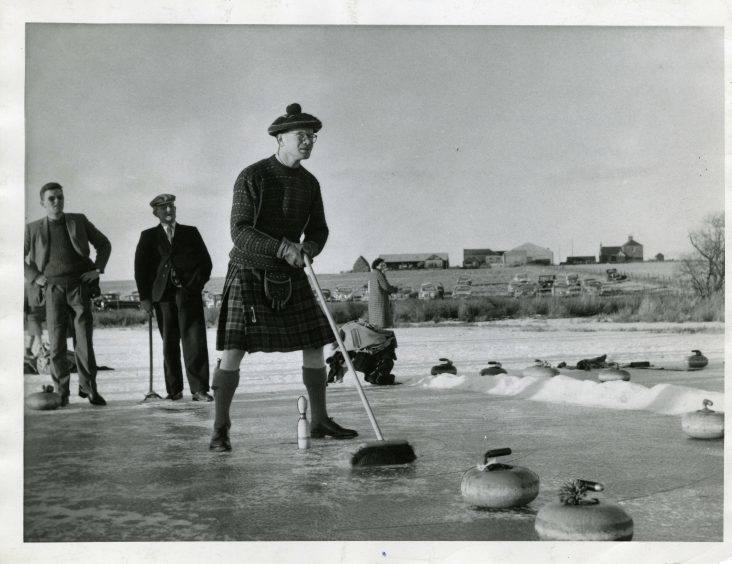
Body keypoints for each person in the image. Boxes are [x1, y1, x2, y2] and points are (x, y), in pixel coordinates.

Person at [209, 102, 358, 451]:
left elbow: (319, 229)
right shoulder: (252, 176)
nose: (308, 141)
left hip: (291, 272)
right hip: (249, 269)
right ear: (280, 138)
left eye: (312, 136)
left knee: (314, 344)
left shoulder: (309, 183)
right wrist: (282, 248)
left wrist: (311, 248)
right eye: (301, 135)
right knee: (233, 349)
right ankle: (220, 428)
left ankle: (319, 419)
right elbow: (240, 232)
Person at [24, 182, 111, 407]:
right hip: (52, 290)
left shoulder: (78, 220)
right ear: (42, 202)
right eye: (51, 198)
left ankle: (89, 389)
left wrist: (97, 269)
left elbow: (103, 244)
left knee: (84, 341)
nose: (57, 201)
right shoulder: (32, 229)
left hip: (79, 287)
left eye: (60, 197)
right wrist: (35, 276)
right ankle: (62, 392)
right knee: (56, 344)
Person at [134, 194, 213, 402]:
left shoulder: (191, 233)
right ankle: (174, 390)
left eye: (171, 207)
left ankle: (199, 390)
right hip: (162, 298)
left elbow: (205, 264)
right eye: (163, 208)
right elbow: (140, 270)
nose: (169, 211)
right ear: (156, 213)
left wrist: (194, 286)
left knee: (195, 342)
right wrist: (145, 298)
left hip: (188, 296)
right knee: (169, 344)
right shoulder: (148, 236)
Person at [368, 258, 398, 329]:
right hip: (379, 301)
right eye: (382, 264)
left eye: (384, 264)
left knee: (375, 323)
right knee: (381, 322)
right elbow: (386, 286)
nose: (384, 266)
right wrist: (395, 289)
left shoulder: (372, 273)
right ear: (376, 265)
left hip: (374, 301)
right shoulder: (378, 274)